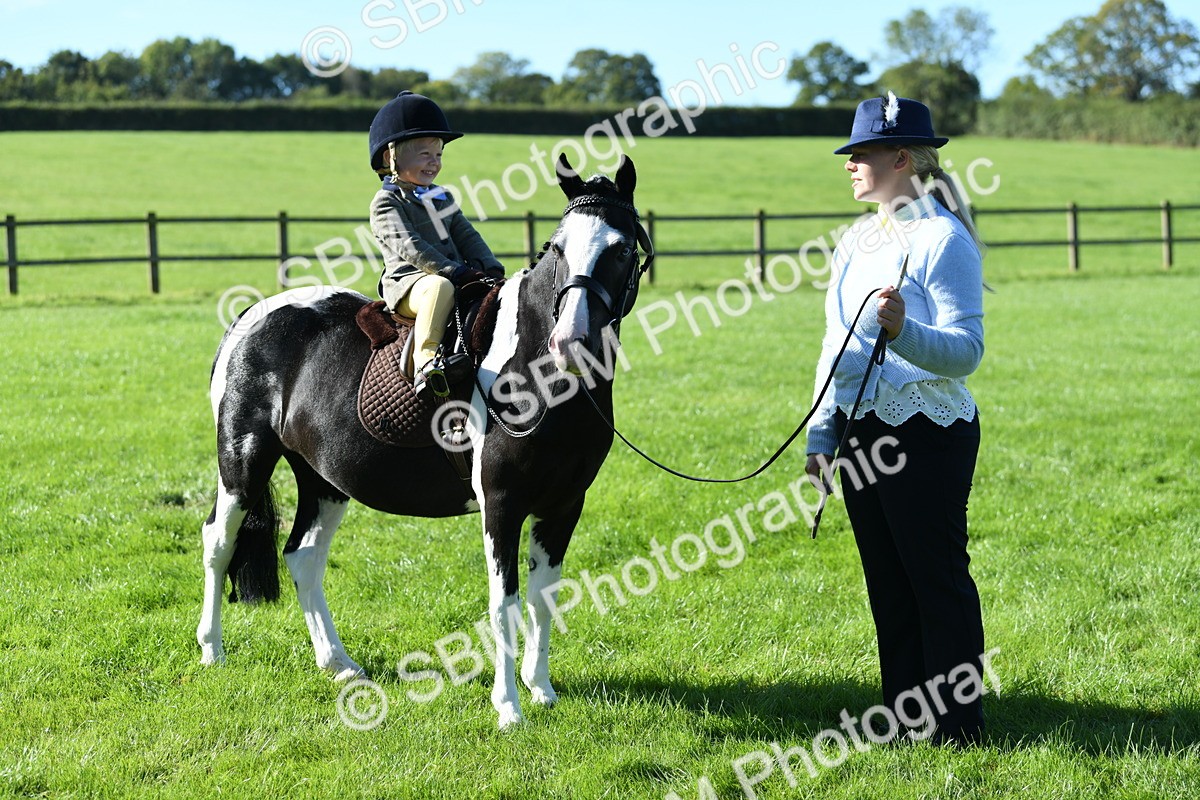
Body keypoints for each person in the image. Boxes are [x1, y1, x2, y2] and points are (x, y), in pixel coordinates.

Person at [805, 92, 988, 746]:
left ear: (902, 158)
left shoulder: (944, 240)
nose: (851, 165)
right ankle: (908, 717)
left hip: (928, 433)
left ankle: (958, 725)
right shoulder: (855, 240)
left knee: (933, 578)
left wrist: (906, 332)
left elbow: (967, 353)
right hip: (859, 432)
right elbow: (835, 343)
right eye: (850, 155)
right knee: (887, 582)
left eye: (863, 154)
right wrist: (822, 433)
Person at [368, 91, 504, 396]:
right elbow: (410, 247)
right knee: (438, 287)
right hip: (410, 285)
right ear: (392, 158)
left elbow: (467, 235)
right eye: (425, 155)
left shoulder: (440, 195)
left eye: (439, 155)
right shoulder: (386, 201)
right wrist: (453, 272)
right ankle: (426, 362)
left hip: (455, 276)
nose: (434, 163)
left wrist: (490, 267)